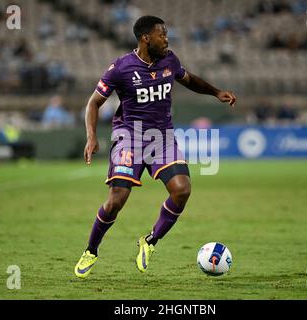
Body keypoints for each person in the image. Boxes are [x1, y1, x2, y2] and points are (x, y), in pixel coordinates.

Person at [74, 15, 236, 278]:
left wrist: (216, 92)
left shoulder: (169, 60)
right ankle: (91, 250)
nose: (167, 39)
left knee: (182, 190)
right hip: (129, 136)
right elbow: (94, 103)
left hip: (161, 138)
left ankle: (149, 242)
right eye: (162, 34)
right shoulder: (121, 68)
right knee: (117, 200)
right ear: (145, 38)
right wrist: (91, 136)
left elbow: (190, 79)